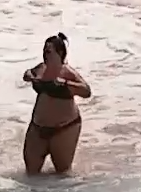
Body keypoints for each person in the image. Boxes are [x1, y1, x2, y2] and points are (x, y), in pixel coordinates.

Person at [21, 32, 91, 175]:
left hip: (64, 129)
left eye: (48, 51)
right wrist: (29, 75)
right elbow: (28, 73)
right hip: (38, 128)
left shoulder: (67, 72)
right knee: (30, 174)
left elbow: (86, 91)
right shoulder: (41, 68)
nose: (45, 54)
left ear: (59, 53)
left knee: (62, 174)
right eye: (44, 51)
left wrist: (66, 83)